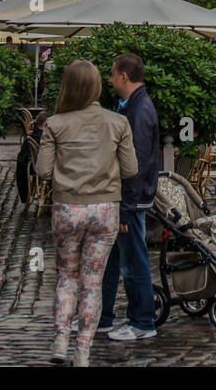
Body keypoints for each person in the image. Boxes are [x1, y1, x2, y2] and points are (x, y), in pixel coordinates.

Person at [36, 59, 138, 367]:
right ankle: (82, 352)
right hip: (105, 209)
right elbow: (131, 169)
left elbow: (42, 171)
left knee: (67, 276)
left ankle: (60, 340)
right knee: (92, 281)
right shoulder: (117, 123)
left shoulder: (55, 124)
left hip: (68, 207)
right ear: (95, 86)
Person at [99, 53, 160, 343]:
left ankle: (142, 321)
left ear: (124, 76)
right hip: (125, 199)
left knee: (133, 261)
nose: (109, 79)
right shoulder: (132, 106)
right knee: (113, 259)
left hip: (130, 200)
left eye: (112, 74)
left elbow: (134, 165)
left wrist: (125, 207)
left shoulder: (138, 111)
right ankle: (103, 316)